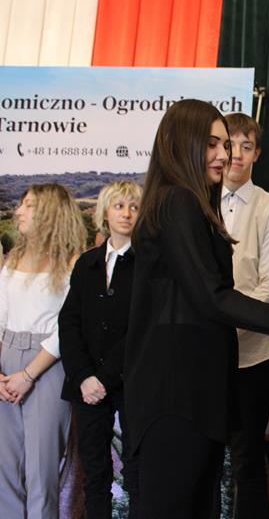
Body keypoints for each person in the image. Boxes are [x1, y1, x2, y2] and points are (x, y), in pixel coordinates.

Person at [122, 99, 269, 519]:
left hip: (191, 389)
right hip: (176, 394)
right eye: (212, 144)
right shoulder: (177, 201)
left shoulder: (187, 202)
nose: (224, 155)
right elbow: (213, 297)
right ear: (182, 143)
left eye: (227, 145)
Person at [0, 183, 87, 519]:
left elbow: (67, 328)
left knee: (42, 471)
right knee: (4, 471)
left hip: (48, 366)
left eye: (29, 205)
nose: (19, 211)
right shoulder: (14, 258)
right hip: (7, 358)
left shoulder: (73, 262)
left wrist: (27, 375)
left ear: (50, 211)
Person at [219, 112, 269, 519]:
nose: (237, 155)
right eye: (229, 146)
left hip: (251, 359)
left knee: (247, 464)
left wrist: (224, 327)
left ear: (257, 154)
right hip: (201, 360)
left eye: (246, 147)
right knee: (201, 460)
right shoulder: (197, 203)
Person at [59, 180, 142, 519]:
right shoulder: (86, 263)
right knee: (94, 474)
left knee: (137, 472)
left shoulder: (149, 264)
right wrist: (83, 376)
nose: (126, 213)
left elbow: (141, 329)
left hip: (130, 383)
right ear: (105, 212)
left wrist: (105, 378)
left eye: (134, 207)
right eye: (119, 206)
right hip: (86, 385)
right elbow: (69, 322)